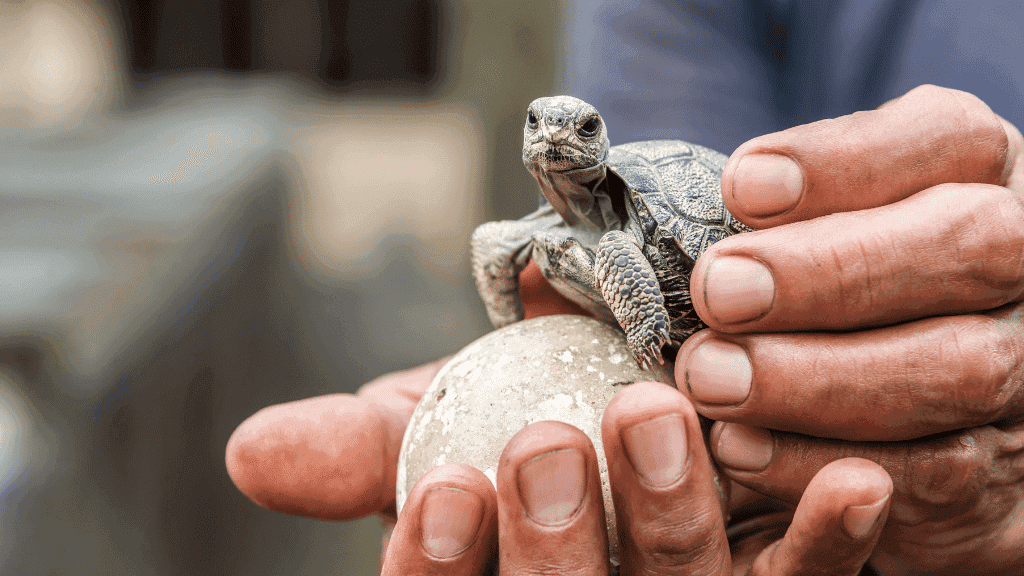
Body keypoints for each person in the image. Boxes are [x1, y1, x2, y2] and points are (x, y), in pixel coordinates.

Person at [227, 2, 1024, 574]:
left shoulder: (620, 235)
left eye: (581, 131)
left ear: (598, 145)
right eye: (544, 126)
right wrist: (514, 344)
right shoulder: (547, 230)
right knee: (498, 241)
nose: (558, 141)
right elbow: (509, 255)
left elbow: (629, 262)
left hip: (777, 343)